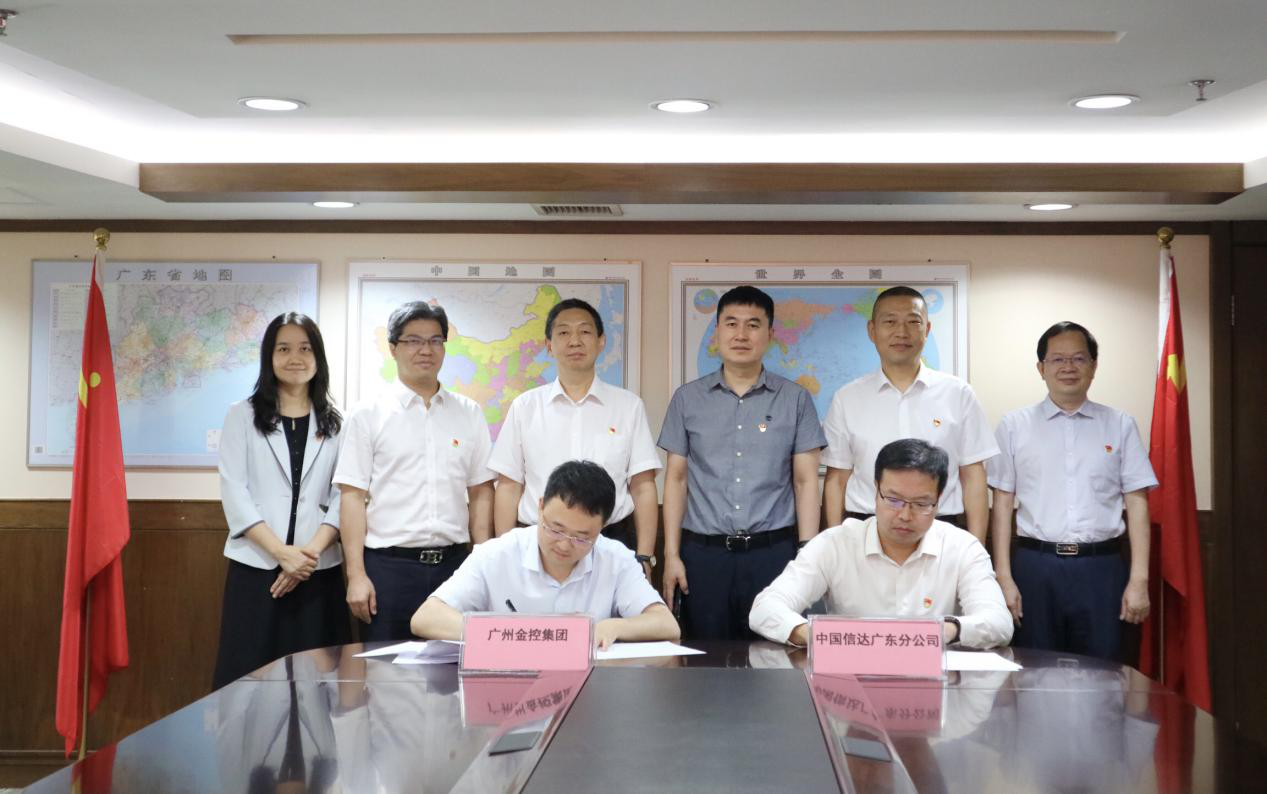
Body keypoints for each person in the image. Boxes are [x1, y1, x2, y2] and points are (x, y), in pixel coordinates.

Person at [658, 285, 826, 640]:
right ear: (717, 332)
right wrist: (671, 554)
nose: (741, 334)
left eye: (753, 324)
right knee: (703, 657)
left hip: (773, 554)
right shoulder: (687, 399)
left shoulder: (795, 399)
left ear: (770, 334)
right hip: (704, 555)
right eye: (731, 324)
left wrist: (807, 556)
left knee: (776, 655)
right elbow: (676, 480)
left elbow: (805, 481)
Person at [988, 321, 1156, 661]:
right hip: (1036, 567)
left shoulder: (1120, 424)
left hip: (1101, 568)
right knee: (1033, 669)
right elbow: (1002, 503)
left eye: (1079, 359)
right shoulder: (1014, 425)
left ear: (1093, 367)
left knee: (1106, 670)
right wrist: (1003, 578)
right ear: (1041, 368)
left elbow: (1137, 503)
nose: (1068, 367)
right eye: (1058, 359)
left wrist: (1139, 579)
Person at [333, 300, 495, 642]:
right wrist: (356, 575)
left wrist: (482, 562)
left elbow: (481, 491)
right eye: (413, 341)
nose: (426, 350)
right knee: (386, 668)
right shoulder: (367, 414)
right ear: (393, 348)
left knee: (454, 665)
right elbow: (352, 497)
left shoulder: (469, 413)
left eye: (435, 340)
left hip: (455, 567)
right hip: (388, 570)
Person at [750, 438, 1013, 649]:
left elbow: (999, 622)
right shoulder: (835, 544)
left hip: (933, 688)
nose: (905, 515)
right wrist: (818, 636)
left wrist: (947, 631)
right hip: (850, 685)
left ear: (938, 499)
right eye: (894, 500)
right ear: (876, 490)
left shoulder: (962, 547)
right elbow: (765, 608)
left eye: (921, 503)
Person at [213, 312, 349, 689]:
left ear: (318, 357)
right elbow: (234, 491)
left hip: (316, 571)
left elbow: (343, 496)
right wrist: (281, 554)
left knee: (319, 685)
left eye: (305, 349)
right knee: (250, 679)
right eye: (284, 349)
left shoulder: (337, 423)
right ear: (268, 357)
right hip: (257, 569)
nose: (295, 358)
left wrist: (305, 556)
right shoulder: (242, 416)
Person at [411, 461, 680, 649]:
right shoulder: (497, 554)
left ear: (602, 528)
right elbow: (426, 618)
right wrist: (504, 634)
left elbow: (666, 624)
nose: (564, 545)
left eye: (581, 537)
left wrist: (612, 627)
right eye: (555, 529)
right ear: (540, 507)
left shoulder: (615, 559)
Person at [489, 298, 661, 578]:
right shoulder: (525, 407)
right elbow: (509, 486)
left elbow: (643, 486)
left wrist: (644, 555)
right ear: (549, 345)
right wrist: (505, 556)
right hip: (539, 544)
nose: (575, 341)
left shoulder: (628, 406)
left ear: (601, 342)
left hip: (611, 543)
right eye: (564, 332)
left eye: (585, 331)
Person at [822, 285, 998, 543]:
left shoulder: (958, 394)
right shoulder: (847, 398)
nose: (901, 332)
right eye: (890, 322)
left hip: (941, 531)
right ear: (872, 330)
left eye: (913, 322)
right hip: (865, 531)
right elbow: (836, 480)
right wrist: (833, 547)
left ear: (927, 329)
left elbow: (973, 477)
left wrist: (976, 549)